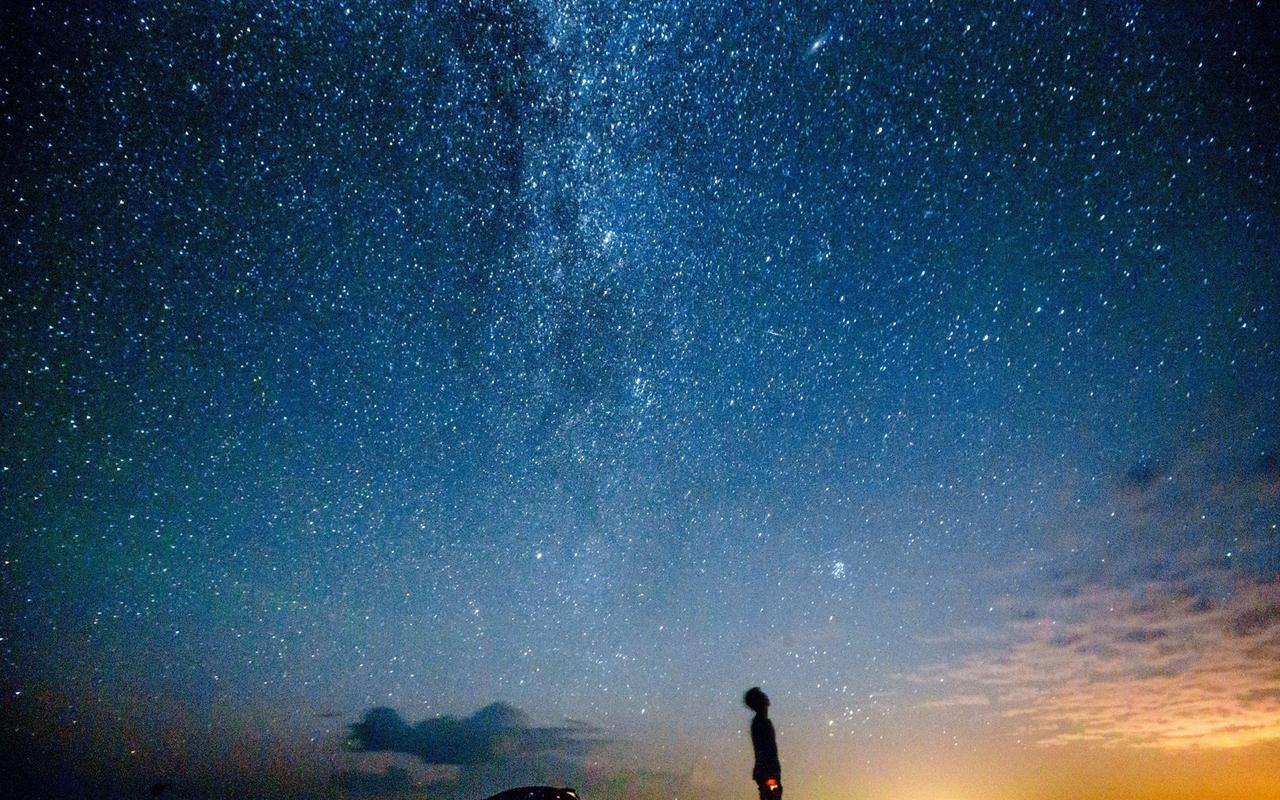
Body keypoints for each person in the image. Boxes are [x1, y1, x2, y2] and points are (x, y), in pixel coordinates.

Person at [744, 687, 781, 800]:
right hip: (768, 773)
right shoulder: (760, 723)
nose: (766, 696)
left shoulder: (761, 722)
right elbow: (765, 750)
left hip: (768, 772)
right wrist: (770, 774)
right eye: (762, 695)